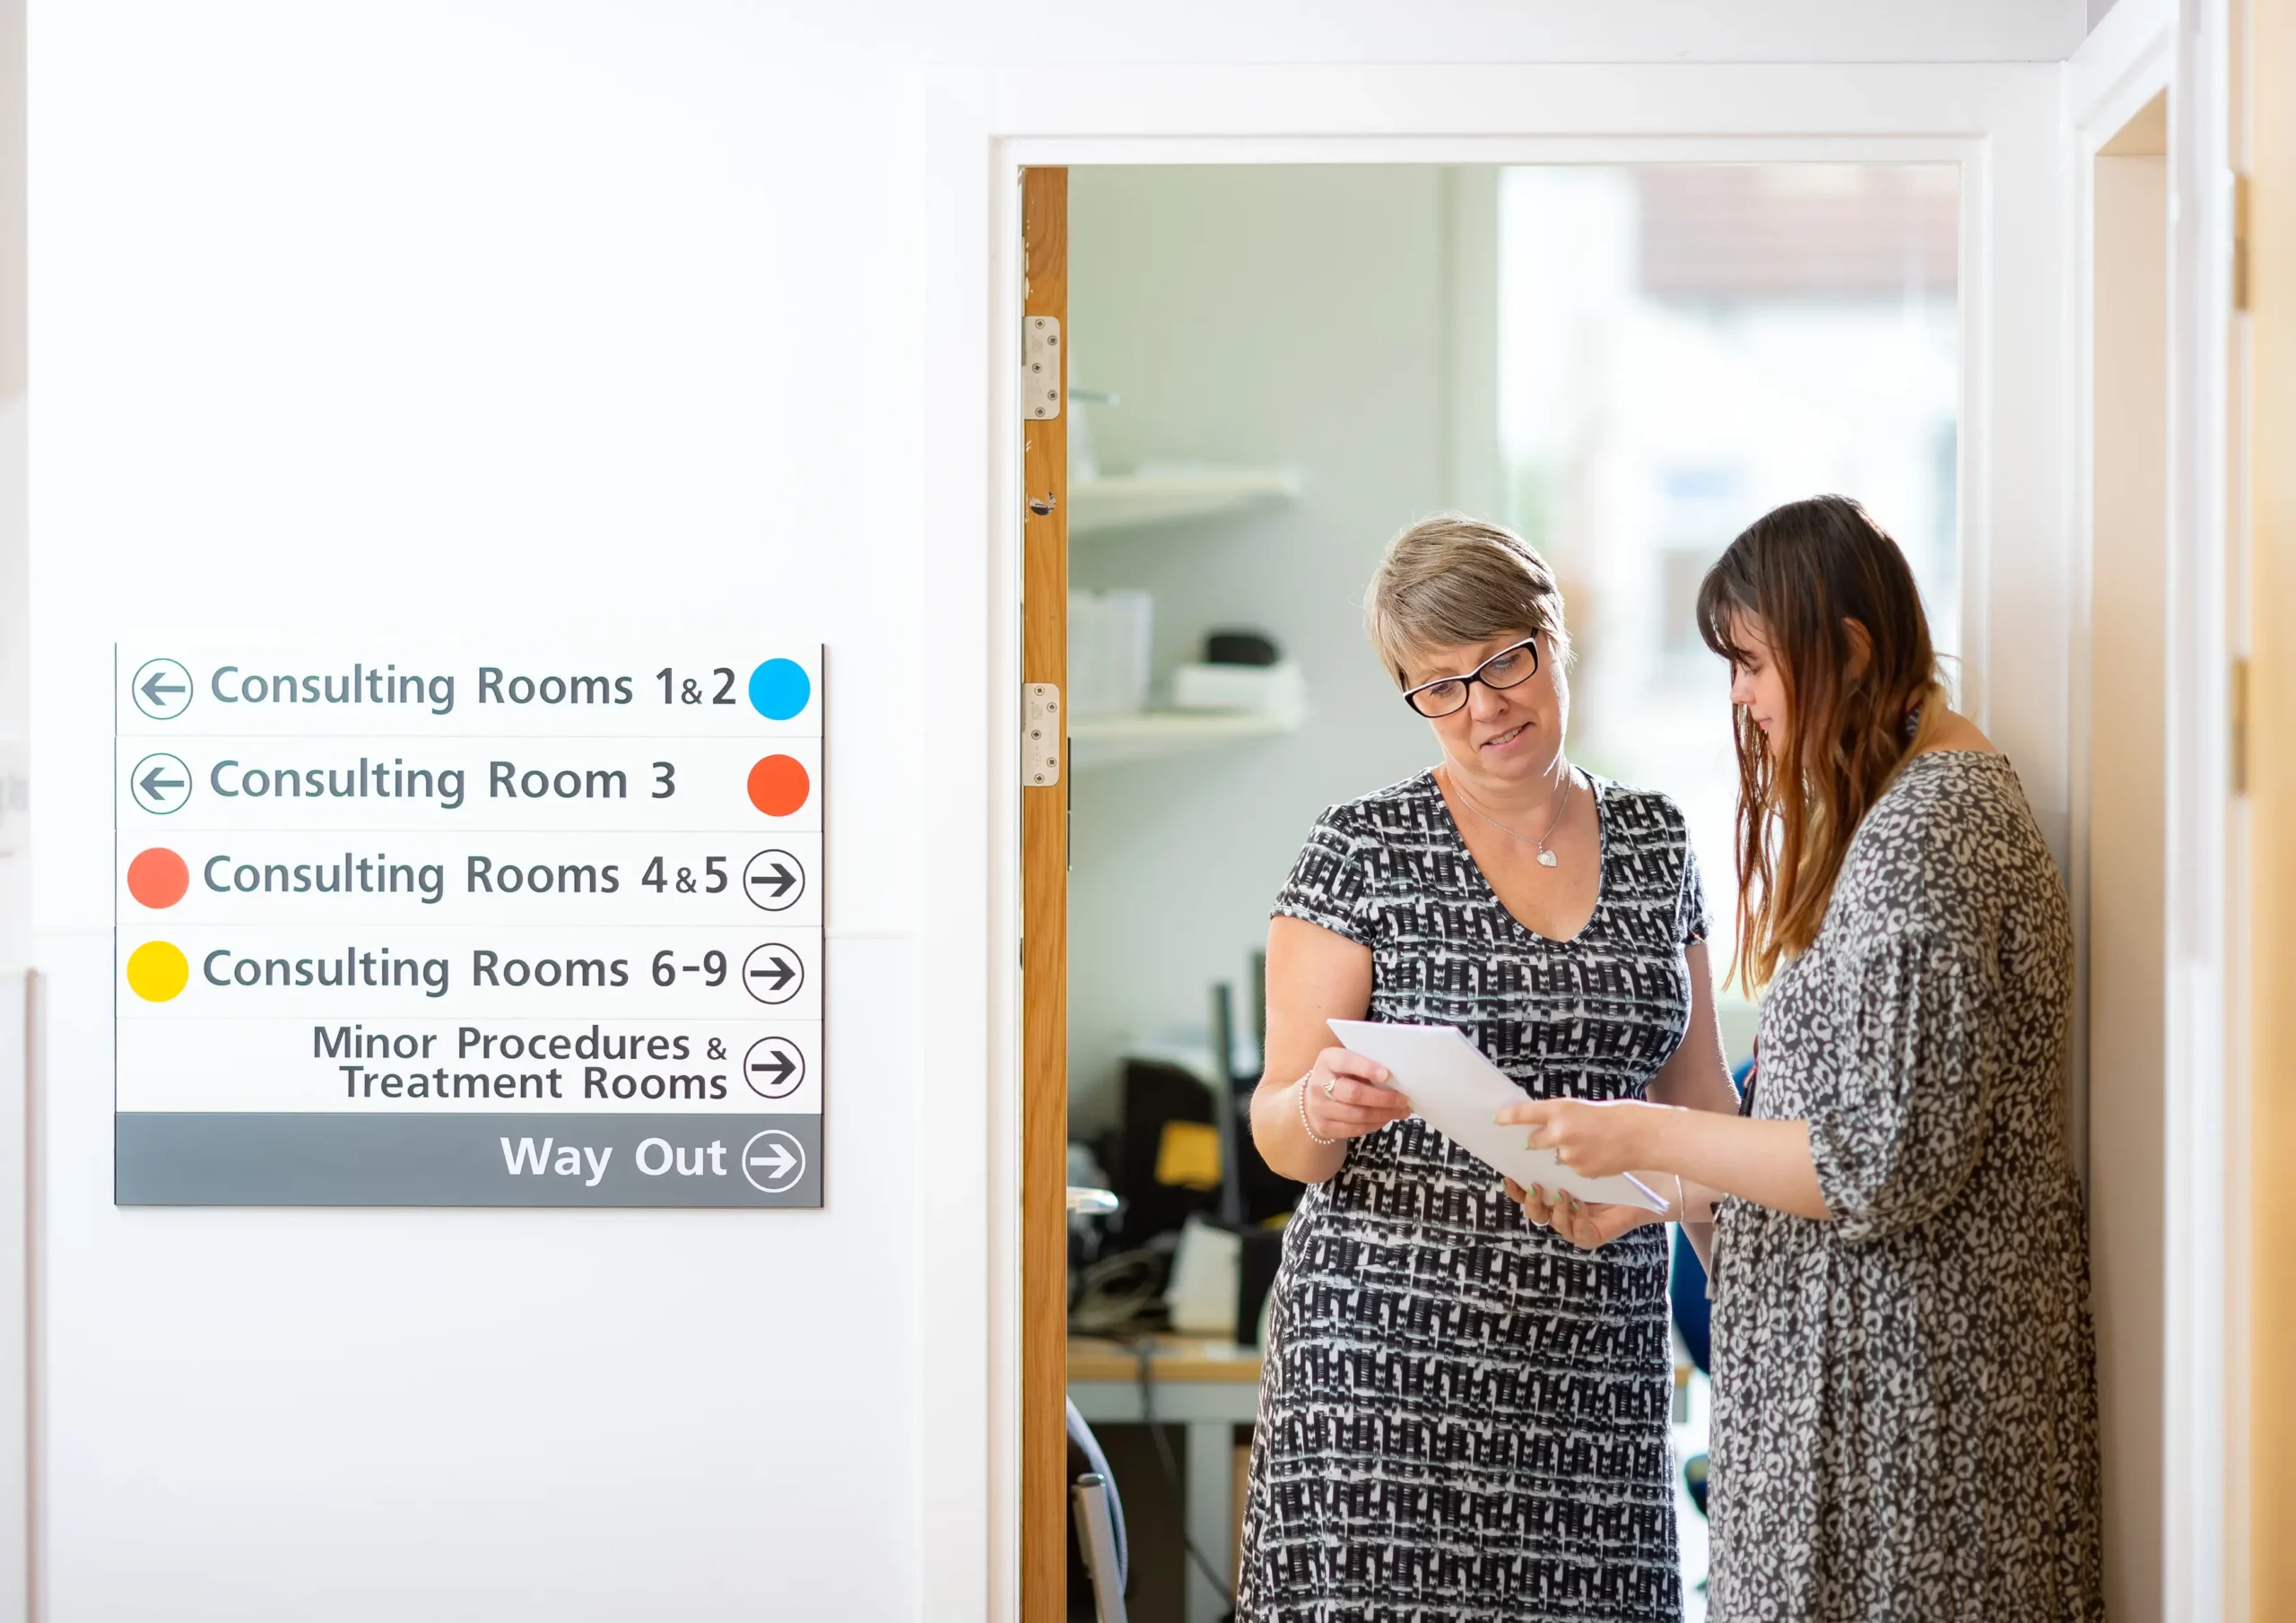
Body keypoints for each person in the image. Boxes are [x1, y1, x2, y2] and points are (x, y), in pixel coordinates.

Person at [1500, 495, 2103, 1620]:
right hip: (1871, 1415)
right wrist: (1652, 1195)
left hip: (1904, 1432)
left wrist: (1641, 1130)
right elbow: (1849, 1128)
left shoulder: (1934, 836)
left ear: (1852, 651)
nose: (1737, 696)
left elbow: (1873, 1163)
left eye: (1750, 663)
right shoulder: (1900, 821)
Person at [1235, 514, 1738, 1623]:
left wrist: (1749, 1332)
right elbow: (1280, 1132)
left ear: (1554, 639)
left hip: (1593, 1365)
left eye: (1503, 661)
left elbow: (1705, 1109)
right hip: (1385, 1369)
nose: (1484, 706)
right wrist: (1322, 1101)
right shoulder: (1361, 845)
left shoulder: (1656, 839)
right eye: (1440, 686)